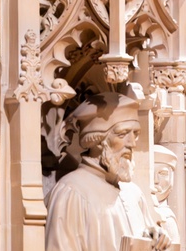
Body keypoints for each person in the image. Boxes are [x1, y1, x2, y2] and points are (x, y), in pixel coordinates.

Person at [45, 92, 170, 251]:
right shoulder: (71, 192)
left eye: (135, 134)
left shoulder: (133, 193)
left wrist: (154, 238)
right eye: (123, 134)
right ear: (97, 141)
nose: (132, 143)